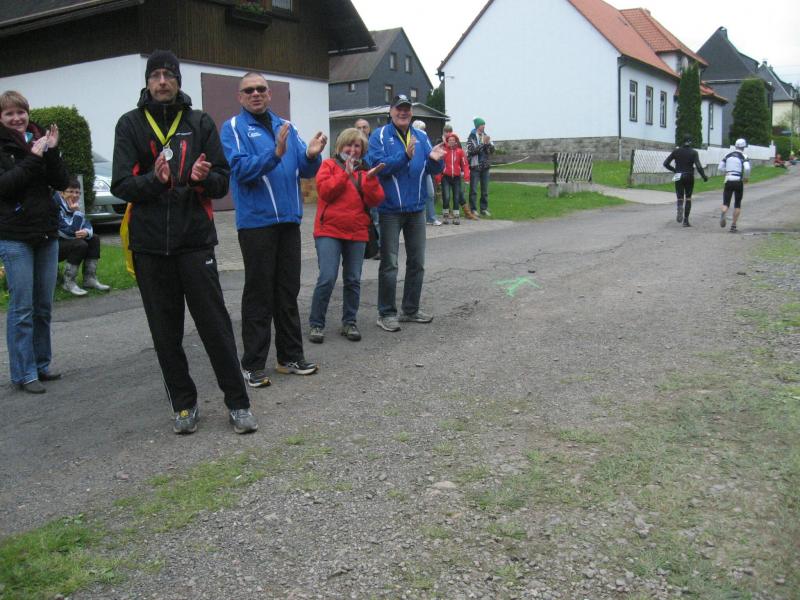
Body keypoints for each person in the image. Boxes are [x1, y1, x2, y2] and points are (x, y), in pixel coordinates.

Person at [111, 50, 257, 435]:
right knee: (166, 333)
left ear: (178, 81)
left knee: (215, 326)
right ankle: (183, 405)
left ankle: (238, 403)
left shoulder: (199, 121)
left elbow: (222, 182)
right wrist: (155, 181)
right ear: (147, 82)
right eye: (155, 75)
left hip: (194, 242)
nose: (162, 81)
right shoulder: (130, 124)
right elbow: (121, 184)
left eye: (169, 75)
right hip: (150, 246)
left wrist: (201, 178)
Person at [221, 72, 327, 384]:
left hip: (288, 221)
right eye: (249, 90)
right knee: (259, 294)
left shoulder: (286, 126)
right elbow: (240, 169)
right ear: (240, 97)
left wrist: (312, 155)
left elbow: (304, 168)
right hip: (257, 223)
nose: (255, 94)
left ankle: (289, 357)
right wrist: (274, 154)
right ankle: (252, 364)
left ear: (269, 94)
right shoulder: (233, 127)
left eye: (261, 89)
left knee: (287, 291)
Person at [0, 90, 68, 394]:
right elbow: (5, 186)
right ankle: (24, 372)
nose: (17, 118)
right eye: (9, 114)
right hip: (15, 235)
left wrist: (51, 151)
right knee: (22, 308)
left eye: (21, 112)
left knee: (43, 306)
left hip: (45, 231)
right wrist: (33, 157)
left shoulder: (40, 139)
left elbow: (61, 181)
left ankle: (41, 364)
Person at [368, 94, 445, 332]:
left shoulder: (421, 136)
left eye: (407, 109)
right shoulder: (379, 135)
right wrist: (404, 156)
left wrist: (436, 161)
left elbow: (430, 168)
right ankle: (386, 313)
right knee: (389, 264)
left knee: (417, 262)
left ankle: (410, 310)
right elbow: (378, 167)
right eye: (399, 108)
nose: (403, 112)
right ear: (390, 111)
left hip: (416, 209)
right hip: (389, 210)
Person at [308, 128, 385, 344]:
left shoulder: (366, 172)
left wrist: (371, 181)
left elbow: (376, 200)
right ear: (340, 146)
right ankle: (316, 323)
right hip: (329, 231)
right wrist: (345, 174)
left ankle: (349, 322)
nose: (352, 149)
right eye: (348, 145)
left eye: (357, 146)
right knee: (327, 277)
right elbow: (325, 192)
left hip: (357, 232)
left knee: (352, 280)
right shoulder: (328, 165)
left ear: (363, 149)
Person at [55, 178, 111, 296]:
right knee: (80, 244)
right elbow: (69, 232)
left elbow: (86, 224)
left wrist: (86, 231)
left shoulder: (72, 205)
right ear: (62, 193)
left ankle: (89, 279)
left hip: (66, 241)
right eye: (70, 191)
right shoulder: (56, 206)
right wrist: (77, 213)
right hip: (52, 246)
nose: (74, 195)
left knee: (94, 238)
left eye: (77, 192)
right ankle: (68, 282)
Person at [662, 136, 708, 227]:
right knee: (688, 198)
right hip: (689, 175)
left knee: (680, 197)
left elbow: (665, 163)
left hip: (678, 175)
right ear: (690, 142)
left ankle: (680, 206)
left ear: (683, 142)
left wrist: (674, 170)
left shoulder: (676, 151)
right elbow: (698, 166)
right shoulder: (694, 152)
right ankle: (686, 221)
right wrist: (704, 176)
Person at [355, 118, 381, 259]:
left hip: (372, 185)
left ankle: (380, 247)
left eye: (364, 127)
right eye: (359, 127)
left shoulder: (374, 144)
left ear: (369, 129)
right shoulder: (353, 145)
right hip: (357, 188)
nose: (362, 130)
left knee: (376, 218)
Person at [718, 138, 751, 233]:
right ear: (743, 147)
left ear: (735, 146)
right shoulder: (744, 156)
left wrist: (727, 172)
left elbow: (720, 168)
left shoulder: (727, 155)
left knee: (726, 202)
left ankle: (724, 211)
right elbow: (747, 168)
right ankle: (733, 225)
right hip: (738, 180)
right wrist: (746, 178)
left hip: (728, 179)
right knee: (737, 203)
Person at [413, 120, 442, 226]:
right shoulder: (412, 138)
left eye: (424, 128)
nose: (423, 130)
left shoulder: (424, 137)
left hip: (426, 170)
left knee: (430, 193)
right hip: (416, 171)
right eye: (421, 128)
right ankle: (418, 218)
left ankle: (431, 218)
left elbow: (429, 152)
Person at [439, 132, 470, 225]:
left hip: (456, 177)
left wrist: (467, 177)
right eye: (450, 140)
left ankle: (456, 217)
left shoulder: (460, 151)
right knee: (446, 197)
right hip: (445, 177)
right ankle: (445, 215)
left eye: (453, 140)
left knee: (456, 197)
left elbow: (465, 165)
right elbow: (439, 165)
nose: (451, 141)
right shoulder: (443, 151)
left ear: (456, 141)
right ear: (447, 141)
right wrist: (438, 178)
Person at [467, 117, 494, 217]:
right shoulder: (471, 137)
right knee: (473, 190)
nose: (484, 126)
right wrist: (482, 144)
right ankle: (473, 209)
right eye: (482, 125)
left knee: (485, 190)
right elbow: (471, 151)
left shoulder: (486, 136)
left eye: (484, 125)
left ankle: (484, 209)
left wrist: (489, 145)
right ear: (478, 126)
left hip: (485, 166)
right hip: (475, 167)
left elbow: (492, 151)